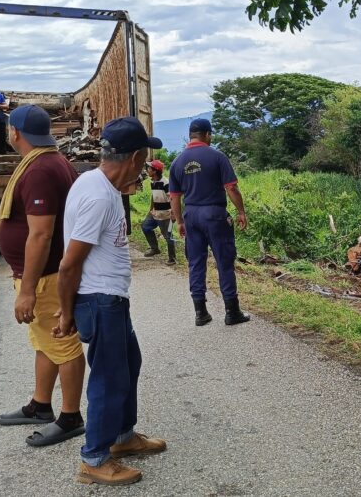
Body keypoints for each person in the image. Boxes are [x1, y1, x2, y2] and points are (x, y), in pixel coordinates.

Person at [55, 117, 166, 485]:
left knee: (128, 363)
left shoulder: (97, 183)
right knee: (109, 378)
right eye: (144, 156)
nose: (145, 164)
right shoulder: (99, 195)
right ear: (135, 157)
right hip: (100, 299)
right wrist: (66, 310)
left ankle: (121, 437)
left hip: (110, 297)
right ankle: (94, 459)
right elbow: (69, 263)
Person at [0, 105, 85, 447]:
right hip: (40, 274)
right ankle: (40, 405)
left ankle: (71, 416)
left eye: (8, 129)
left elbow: (41, 234)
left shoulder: (40, 170)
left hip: (46, 277)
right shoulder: (50, 160)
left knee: (62, 342)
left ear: (15, 132)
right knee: (44, 341)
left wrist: (27, 288)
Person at [169, 118, 250, 327]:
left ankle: (201, 313)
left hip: (191, 215)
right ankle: (232, 312)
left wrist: (179, 221)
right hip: (214, 214)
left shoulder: (177, 162)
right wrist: (241, 211)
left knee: (196, 262)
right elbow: (231, 188)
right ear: (208, 134)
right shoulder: (217, 157)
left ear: (190, 136)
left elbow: (174, 197)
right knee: (224, 261)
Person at [141, 159, 176, 265]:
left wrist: (174, 213)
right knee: (145, 227)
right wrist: (151, 209)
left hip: (165, 214)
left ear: (155, 171)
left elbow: (173, 198)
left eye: (149, 168)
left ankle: (172, 258)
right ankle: (154, 248)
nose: (147, 170)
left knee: (168, 236)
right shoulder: (153, 182)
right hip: (155, 212)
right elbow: (153, 195)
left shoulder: (165, 183)